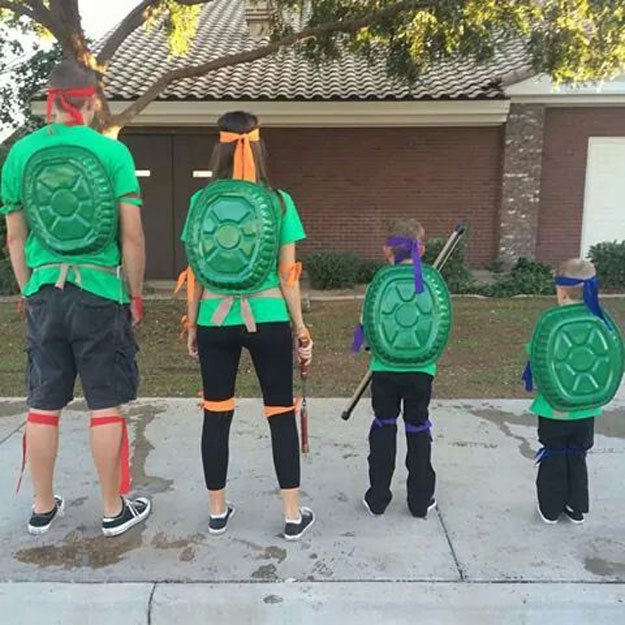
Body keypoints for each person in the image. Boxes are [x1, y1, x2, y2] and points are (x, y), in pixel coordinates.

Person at [1, 59, 151, 536]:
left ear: (50, 100)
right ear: (90, 102)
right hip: (99, 291)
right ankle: (112, 510)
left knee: (43, 403)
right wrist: (135, 293)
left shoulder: (20, 155)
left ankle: (42, 508)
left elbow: (14, 238)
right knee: (104, 403)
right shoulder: (111, 153)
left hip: (45, 290)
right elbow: (132, 236)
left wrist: (28, 286)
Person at [180, 111, 314, 540]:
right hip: (271, 317)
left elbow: (196, 268)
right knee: (280, 413)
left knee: (216, 415)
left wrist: (192, 324)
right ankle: (292, 515)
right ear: (258, 146)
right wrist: (299, 328)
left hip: (214, 319)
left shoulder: (200, 203)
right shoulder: (278, 202)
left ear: (219, 150)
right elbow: (288, 274)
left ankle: (217, 512)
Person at [353, 219, 448, 518]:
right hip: (421, 370)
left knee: (384, 425)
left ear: (387, 250)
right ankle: (420, 500)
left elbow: (365, 325)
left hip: (385, 369)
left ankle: (378, 498)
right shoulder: (431, 283)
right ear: (421, 248)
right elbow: (438, 324)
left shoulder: (380, 283)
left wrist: (362, 345)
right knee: (418, 428)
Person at [525, 258, 619, 525]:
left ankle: (551, 509)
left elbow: (539, 358)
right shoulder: (602, 321)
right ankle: (576, 507)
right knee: (577, 455)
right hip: (586, 408)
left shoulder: (552, 322)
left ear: (561, 290)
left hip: (554, 408)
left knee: (553, 454)